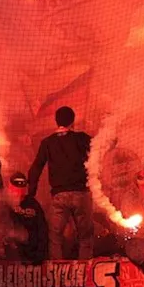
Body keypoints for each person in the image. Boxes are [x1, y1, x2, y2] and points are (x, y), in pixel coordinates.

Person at [26, 106, 94, 260]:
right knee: (85, 236)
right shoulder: (81, 138)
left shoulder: (47, 142)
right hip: (81, 194)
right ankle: (85, 272)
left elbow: (36, 167)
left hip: (59, 195)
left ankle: (57, 273)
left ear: (56, 121)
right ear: (73, 120)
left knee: (54, 237)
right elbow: (99, 149)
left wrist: (31, 193)